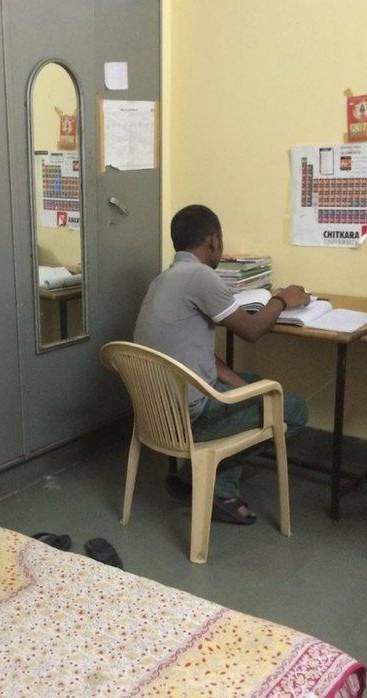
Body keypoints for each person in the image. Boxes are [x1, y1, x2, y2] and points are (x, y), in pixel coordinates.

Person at [134, 205, 310, 525]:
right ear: (213, 241)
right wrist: (283, 299)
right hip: (190, 419)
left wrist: (239, 384)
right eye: (221, 240)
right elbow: (253, 331)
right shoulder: (201, 276)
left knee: (254, 381)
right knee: (294, 408)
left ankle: (192, 479)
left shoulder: (163, 279)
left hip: (155, 412)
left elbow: (189, 350)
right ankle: (219, 490)